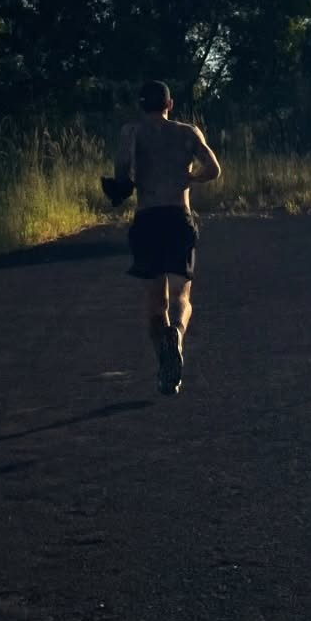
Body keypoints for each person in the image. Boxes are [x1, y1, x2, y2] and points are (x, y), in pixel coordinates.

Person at [112, 80, 222, 396]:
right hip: (177, 216)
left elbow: (122, 169)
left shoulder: (131, 132)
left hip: (148, 219)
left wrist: (124, 184)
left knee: (154, 304)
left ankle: (165, 362)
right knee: (181, 299)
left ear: (140, 105)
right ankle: (177, 337)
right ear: (169, 104)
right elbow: (213, 168)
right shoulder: (188, 132)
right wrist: (192, 178)